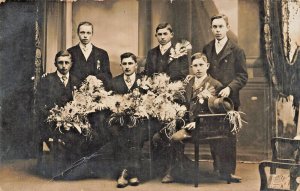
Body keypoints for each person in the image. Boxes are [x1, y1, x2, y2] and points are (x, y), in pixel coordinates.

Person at [154, 52, 224, 183]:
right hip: (184, 122)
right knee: (158, 137)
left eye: (201, 65)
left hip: (203, 126)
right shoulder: (188, 82)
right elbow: (182, 102)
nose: (198, 68)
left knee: (175, 138)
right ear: (191, 67)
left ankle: (173, 171)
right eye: (195, 66)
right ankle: (186, 165)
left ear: (207, 65)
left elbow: (216, 114)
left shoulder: (215, 84)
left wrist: (198, 123)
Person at [203, 14, 248, 182]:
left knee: (229, 134)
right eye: (214, 27)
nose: (217, 30)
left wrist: (230, 88)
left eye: (221, 26)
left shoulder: (236, 50)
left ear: (227, 27)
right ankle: (217, 168)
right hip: (212, 99)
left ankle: (228, 171)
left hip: (229, 100)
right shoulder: (207, 49)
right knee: (213, 132)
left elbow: (243, 76)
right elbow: (204, 73)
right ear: (211, 29)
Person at [109, 52, 145, 188]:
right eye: (124, 64)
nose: (127, 66)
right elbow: (111, 103)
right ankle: (125, 173)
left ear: (136, 65)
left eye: (130, 63)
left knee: (136, 135)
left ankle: (129, 173)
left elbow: (149, 102)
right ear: (120, 66)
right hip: (120, 120)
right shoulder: (114, 82)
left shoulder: (143, 81)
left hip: (139, 120)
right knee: (118, 134)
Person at [67, 21, 112, 88]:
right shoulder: (70, 52)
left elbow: (108, 75)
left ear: (92, 34)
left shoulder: (102, 53)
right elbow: (66, 74)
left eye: (88, 33)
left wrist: (94, 78)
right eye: (82, 32)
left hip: (96, 92)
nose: (85, 36)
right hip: (76, 91)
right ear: (78, 33)